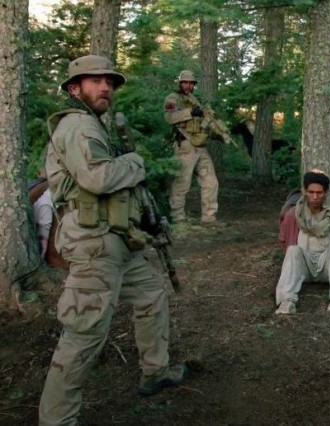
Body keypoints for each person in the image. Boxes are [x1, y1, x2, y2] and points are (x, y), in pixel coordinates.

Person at [39, 55, 186, 425]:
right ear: (75, 88)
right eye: (95, 81)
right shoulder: (78, 125)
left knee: (151, 292)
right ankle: (56, 421)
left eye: (109, 82)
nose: (105, 87)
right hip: (94, 243)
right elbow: (98, 179)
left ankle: (155, 371)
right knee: (84, 332)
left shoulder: (94, 124)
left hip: (117, 238)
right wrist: (135, 162)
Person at [275, 171, 330, 314]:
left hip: (327, 267)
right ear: (305, 191)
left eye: (319, 193)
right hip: (304, 267)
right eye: (311, 192)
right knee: (293, 250)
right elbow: (283, 239)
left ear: (326, 193)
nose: (314, 197)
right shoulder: (294, 214)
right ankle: (287, 301)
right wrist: (295, 263)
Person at [163, 70, 220, 224]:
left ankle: (209, 217)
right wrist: (190, 112)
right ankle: (178, 217)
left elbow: (203, 121)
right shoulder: (173, 98)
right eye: (185, 83)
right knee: (181, 183)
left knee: (211, 182)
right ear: (180, 83)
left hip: (200, 145)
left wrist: (216, 132)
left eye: (191, 83)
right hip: (185, 145)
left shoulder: (195, 100)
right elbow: (169, 117)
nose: (188, 86)